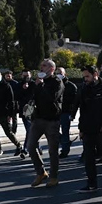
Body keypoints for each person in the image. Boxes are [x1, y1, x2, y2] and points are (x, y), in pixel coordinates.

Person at [26, 59, 64, 188]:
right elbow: (34, 97)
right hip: (38, 119)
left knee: (53, 150)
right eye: (41, 65)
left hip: (51, 120)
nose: (41, 68)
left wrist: (41, 86)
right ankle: (41, 172)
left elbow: (51, 98)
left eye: (44, 66)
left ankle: (54, 177)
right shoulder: (38, 82)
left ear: (51, 69)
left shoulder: (57, 82)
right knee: (30, 146)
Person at [0, 70, 21, 158]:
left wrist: (10, 114)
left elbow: (11, 101)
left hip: (4, 114)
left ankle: (18, 145)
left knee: (8, 132)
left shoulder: (6, 86)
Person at [57, 67, 78, 158]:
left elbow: (75, 101)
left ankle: (65, 150)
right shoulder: (54, 84)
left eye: (60, 73)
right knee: (53, 131)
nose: (58, 75)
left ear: (64, 74)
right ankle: (65, 142)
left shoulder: (71, 86)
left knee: (65, 131)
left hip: (66, 111)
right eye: (57, 73)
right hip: (55, 112)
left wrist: (72, 113)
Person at [16, 71, 35, 158]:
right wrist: (23, 89)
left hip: (32, 109)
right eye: (24, 76)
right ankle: (35, 147)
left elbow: (35, 95)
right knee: (30, 130)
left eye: (27, 75)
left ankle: (26, 149)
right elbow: (16, 96)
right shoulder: (19, 85)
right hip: (24, 110)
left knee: (30, 130)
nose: (26, 77)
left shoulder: (34, 84)